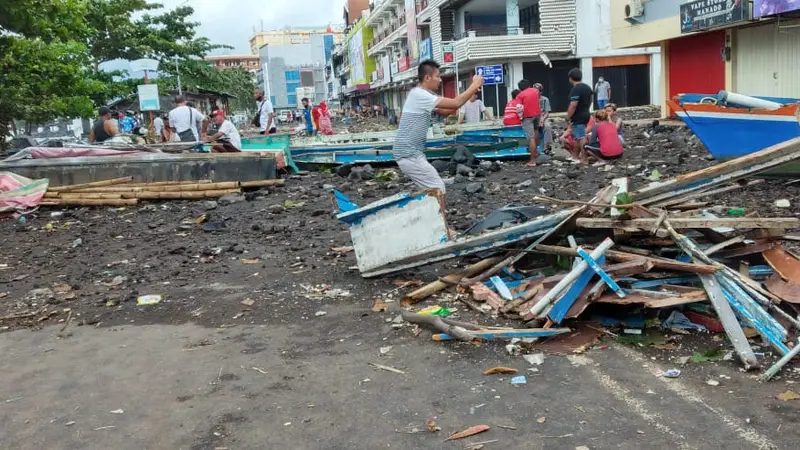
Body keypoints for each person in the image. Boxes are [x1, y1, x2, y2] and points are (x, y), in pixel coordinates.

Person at [392, 59, 484, 195]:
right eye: (438, 76)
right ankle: (438, 215)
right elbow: (455, 103)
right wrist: (474, 85)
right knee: (438, 187)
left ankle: (425, 213)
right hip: (408, 154)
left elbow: (447, 110)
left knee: (429, 190)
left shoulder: (424, 95)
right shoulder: (420, 95)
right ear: (427, 77)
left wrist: (470, 92)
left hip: (412, 153)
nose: (440, 80)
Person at [567, 68, 593, 164]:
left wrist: (568, 117)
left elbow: (573, 105)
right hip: (586, 113)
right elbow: (591, 100)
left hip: (578, 116)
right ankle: (575, 156)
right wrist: (586, 109)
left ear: (570, 78)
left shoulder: (576, 89)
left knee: (581, 137)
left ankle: (584, 159)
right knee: (577, 136)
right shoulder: (587, 87)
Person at [516, 79, 542, 167]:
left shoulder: (520, 95)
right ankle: (537, 151)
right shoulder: (536, 91)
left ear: (520, 88)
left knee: (531, 138)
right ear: (529, 85)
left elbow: (519, 109)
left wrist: (520, 118)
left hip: (527, 117)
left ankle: (532, 160)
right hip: (537, 114)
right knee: (536, 131)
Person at [533, 83, 553, 153]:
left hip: (543, 116)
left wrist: (542, 119)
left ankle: (545, 146)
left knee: (547, 126)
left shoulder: (545, 99)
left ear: (541, 91)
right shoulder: (530, 99)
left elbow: (547, 112)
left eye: (538, 91)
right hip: (533, 117)